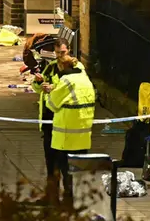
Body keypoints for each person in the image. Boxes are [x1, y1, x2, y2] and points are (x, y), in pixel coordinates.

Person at [29, 38, 85, 193]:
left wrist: (55, 88)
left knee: (65, 161)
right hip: (49, 122)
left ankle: (69, 194)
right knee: (51, 161)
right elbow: (37, 88)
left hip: (66, 121)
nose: (61, 56)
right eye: (58, 53)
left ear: (69, 51)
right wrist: (39, 82)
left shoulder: (77, 67)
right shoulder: (51, 68)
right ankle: (51, 194)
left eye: (63, 52)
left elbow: (80, 87)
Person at [45, 55, 95, 203]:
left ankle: (67, 201)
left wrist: (50, 92)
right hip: (83, 135)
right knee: (79, 171)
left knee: (65, 170)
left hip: (65, 136)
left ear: (62, 67)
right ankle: (78, 200)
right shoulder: (85, 80)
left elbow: (52, 104)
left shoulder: (66, 81)